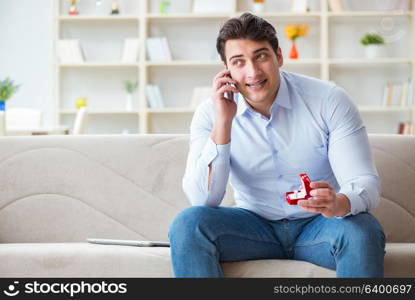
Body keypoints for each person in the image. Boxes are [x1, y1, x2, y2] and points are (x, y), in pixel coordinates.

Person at [168, 12, 385, 278]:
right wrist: (223, 123)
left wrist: (338, 203)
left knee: (363, 229)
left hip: (319, 225)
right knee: (187, 225)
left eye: (261, 56)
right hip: (251, 227)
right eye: (239, 62)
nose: (253, 72)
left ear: (278, 57)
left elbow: (365, 183)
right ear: (226, 69)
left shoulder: (329, 100)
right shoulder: (210, 113)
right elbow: (203, 199)